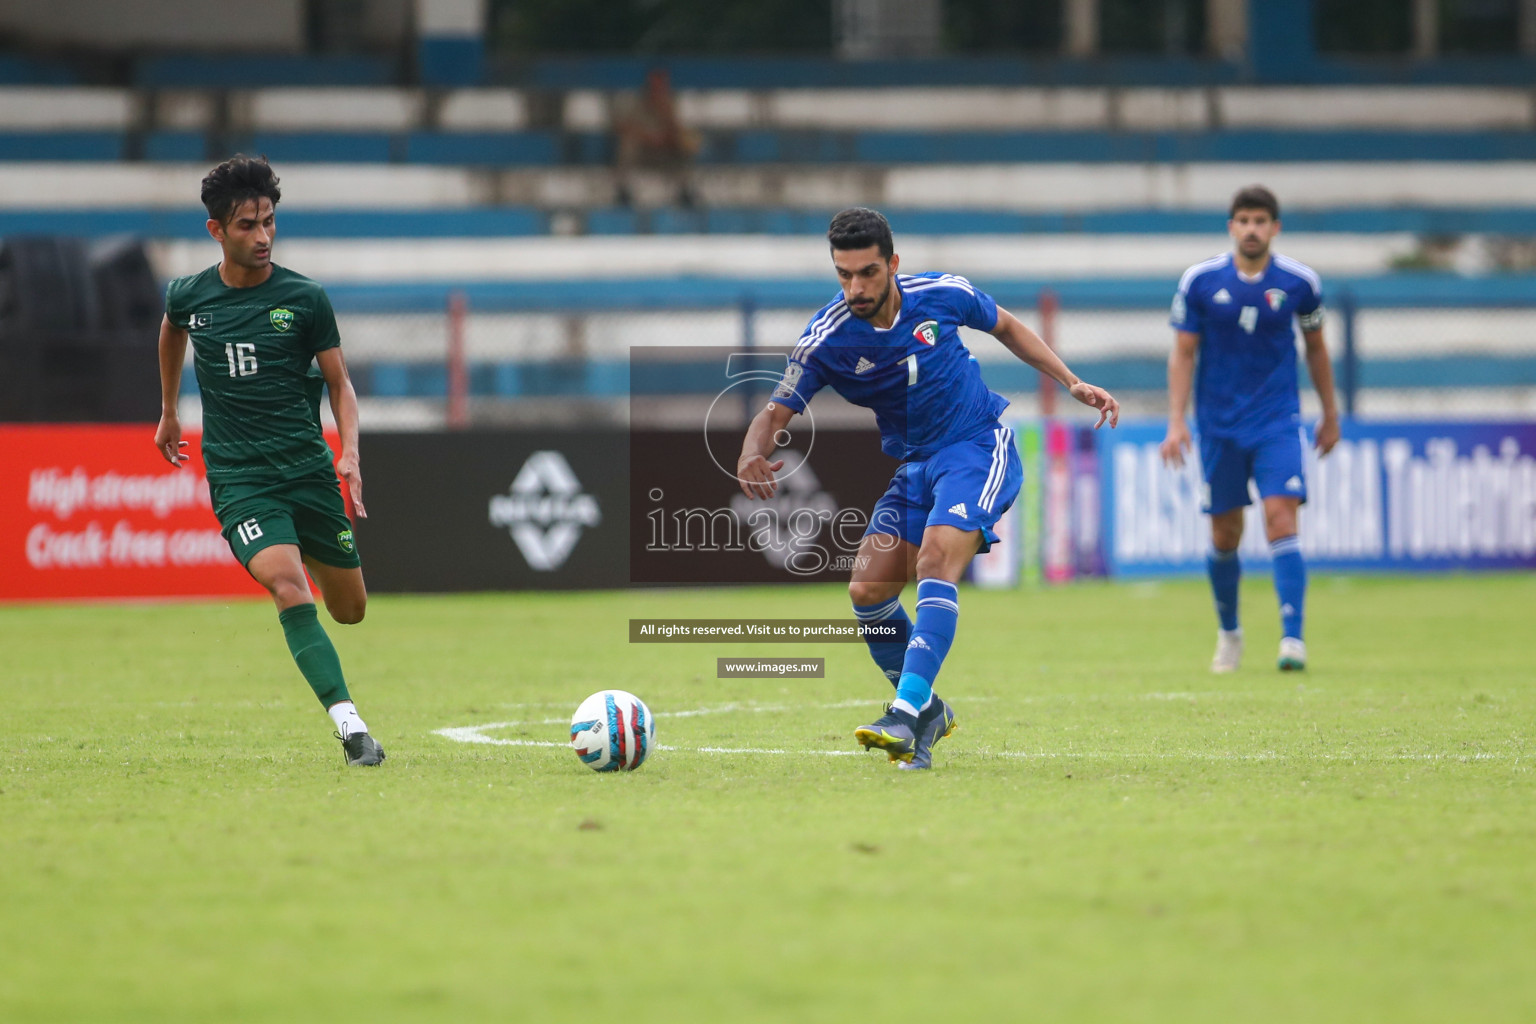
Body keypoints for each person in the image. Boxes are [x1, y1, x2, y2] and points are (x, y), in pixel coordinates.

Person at [737, 208, 1119, 770]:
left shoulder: (942, 294)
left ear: (893, 264)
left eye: (867, 273)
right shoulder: (827, 339)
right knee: (867, 591)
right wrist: (751, 452)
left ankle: (905, 710)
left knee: (936, 560)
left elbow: (1007, 325)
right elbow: (776, 410)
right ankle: (928, 711)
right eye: (843, 275)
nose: (855, 288)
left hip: (977, 447)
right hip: (916, 466)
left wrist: (1071, 382)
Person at [153, 155, 384, 766]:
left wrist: (350, 450)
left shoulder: (304, 299)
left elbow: (340, 384)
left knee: (350, 610)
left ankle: (305, 546)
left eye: (269, 222)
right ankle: (352, 728)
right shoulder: (190, 295)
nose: (262, 237)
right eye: (248, 226)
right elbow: (172, 328)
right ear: (216, 231)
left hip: (306, 469)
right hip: (239, 476)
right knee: (287, 584)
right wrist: (170, 410)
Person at [1160, 185, 1340, 674]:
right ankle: (1230, 632)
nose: (1252, 229)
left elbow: (1317, 349)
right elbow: (1183, 352)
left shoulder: (1301, 283)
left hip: (1277, 420)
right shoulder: (1199, 282)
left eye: (1261, 221)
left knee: (1281, 517)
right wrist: (1176, 421)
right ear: (1231, 227)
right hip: (1218, 426)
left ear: (1275, 227)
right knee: (1225, 533)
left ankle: (1293, 640)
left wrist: (1330, 412)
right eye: (1243, 220)